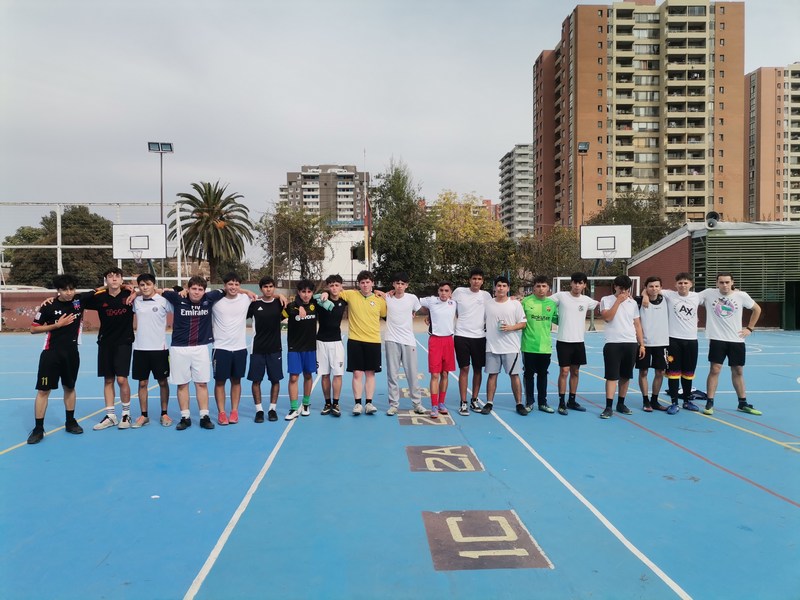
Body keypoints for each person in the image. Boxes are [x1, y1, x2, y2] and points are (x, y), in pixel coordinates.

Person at [26, 275, 86, 444]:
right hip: (51, 354)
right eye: (65, 289)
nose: (69, 292)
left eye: (72, 289)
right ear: (58, 290)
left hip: (72, 354)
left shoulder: (79, 301)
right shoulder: (48, 306)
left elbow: (105, 289)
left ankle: (70, 422)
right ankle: (38, 428)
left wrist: (127, 287)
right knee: (43, 391)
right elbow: (33, 329)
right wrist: (57, 326)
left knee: (69, 387)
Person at [162, 276, 225, 430]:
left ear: (204, 291)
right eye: (194, 289)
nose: (197, 292)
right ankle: (185, 417)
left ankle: (204, 416)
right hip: (179, 348)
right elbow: (157, 290)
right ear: (188, 289)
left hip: (200, 348)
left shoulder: (209, 298)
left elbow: (231, 289)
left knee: (201, 383)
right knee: (182, 384)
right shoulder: (177, 298)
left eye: (200, 289)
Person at [697, 272, 762, 415]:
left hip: (736, 340)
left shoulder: (741, 296)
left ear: (732, 282)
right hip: (717, 339)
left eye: (727, 282)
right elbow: (688, 299)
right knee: (715, 369)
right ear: (716, 283)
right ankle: (709, 402)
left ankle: (742, 403)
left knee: (738, 371)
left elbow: (757, 309)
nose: (724, 285)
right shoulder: (708, 293)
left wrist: (749, 328)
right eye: (721, 282)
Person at [83, 267, 135, 431]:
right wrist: (100, 288)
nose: (113, 279)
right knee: (108, 379)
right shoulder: (100, 297)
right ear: (106, 280)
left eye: (117, 276)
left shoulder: (129, 295)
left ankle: (126, 413)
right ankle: (111, 415)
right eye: (110, 277)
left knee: (121, 379)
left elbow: (150, 290)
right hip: (105, 342)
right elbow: (81, 299)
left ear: (121, 280)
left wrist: (133, 290)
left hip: (124, 342)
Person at [338, 271, 387, 416]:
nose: (365, 285)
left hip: (373, 341)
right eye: (362, 282)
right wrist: (325, 294)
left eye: (368, 282)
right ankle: (358, 403)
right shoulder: (351, 295)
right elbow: (334, 290)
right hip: (355, 340)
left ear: (373, 283)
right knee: (357, 373)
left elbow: (387, 316)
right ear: (358, 284)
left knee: (370, 374)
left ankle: (369, 403)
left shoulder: (380, 300)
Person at [550, 272, 599, 415]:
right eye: (575, 282)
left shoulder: (587, 300)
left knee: (575, 371)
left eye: (580, 283)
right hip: (564, 340)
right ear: (571, 283)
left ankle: (572, 400)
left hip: (579, 342)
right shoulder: (561, 296)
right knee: (564, 372)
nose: (577, 285)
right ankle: (561, 402)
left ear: (584, 285)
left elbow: (605, 303)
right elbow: (543, 301)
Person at [598, 275, 645, 419]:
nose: (623, 291)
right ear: (615, 286)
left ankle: (621, 403)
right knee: (612, 376)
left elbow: (637, 324)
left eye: (625, 288)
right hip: (613, 343)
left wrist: (641, 344)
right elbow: (607, 317)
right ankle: (608, 406)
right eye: (620, 288)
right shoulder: (606, 300)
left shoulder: (632, 303)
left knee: (625, 375)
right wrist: (618, 301)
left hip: (630, 343)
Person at [211, 272, 253, 425]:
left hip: (240, 348)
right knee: (220, 382)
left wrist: (280, 296)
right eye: (230, 284)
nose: (233, 287)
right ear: (225, 286)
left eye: (236, 284)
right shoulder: (216, 300)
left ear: (239, 286)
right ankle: (222, 413)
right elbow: (198, 292)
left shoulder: (246, 298)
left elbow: (267, 296)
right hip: (220, 348)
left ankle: (234, 411)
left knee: (236, 381)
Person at [481, 276, 527, 416]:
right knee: (492, 375)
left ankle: (519, 404)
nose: (501, 288)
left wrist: (511, 328)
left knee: (515, 375)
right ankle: (489, 403)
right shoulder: (487, 304)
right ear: (495, 287)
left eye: (504, 286)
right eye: (498, 285)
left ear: (508, 288)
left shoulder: (515, 304)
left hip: (511, 347)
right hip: (492, 347)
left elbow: (523, 323)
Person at [130, 273, 172, 427]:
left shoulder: (164, 301)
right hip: (140, 349)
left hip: (159, 350)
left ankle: (164, 413)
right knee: (142, 383)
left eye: (148, 284)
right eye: (142, 285)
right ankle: (144, 415)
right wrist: (135, 293)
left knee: (162, 382)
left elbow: (180, 299)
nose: (145, 287)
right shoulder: (136, 301)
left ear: (154, 285)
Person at [383, 272, 426, 416]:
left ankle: (417, 403)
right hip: (391, 340)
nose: (400, 286)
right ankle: (394, 404)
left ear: (406, 285)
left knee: (412, 374)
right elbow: (375, 293)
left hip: (408, 340)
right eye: (397, 283)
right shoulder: (387, 297)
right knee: (392, 374)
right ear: (393, 285)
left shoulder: (412, 298)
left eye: (403, 284)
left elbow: (421, 309)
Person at [660, 272, 702, 413]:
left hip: (691, 341)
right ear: (675, 284)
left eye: (685, 283)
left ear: (691, 284)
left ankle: (687, 400)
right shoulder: (669, 295)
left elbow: (718, 294)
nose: (683, 285)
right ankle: (674, 403)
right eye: (680, 283)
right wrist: (646, 297)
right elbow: (648, 289)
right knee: (673, 373)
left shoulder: (698, 296)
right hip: (673, 340)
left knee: (688, 373)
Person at [452, 269, 492, 416]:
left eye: (479, 279)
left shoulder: (486, 296)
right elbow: (449, 306)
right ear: (469, 280)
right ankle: (463, 402)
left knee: (477, 369)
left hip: (480, 337)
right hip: (461, 336)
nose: (476, 281)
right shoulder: (459, 292)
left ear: (482, 281)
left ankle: (474, 399)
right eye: (474, 278)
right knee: (464, 369)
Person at [247, 276, 285, 423]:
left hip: (275, 349)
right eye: (265, 287)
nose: (268, 289)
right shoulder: (254, 304)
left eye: (271, 286)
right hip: (257, 349)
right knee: (256, 380)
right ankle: (259, 411)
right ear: (261, 288)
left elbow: (296, 305)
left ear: (274, 287)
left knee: (275, 380)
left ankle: (272, 409)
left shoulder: (280, 303)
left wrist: (280, 296)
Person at [418, 281, 458, 418]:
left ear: (450, 293)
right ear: (438, 291)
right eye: (441, 290)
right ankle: (434, 405)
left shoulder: (454, 303)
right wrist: (427, 315)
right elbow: (416, 303)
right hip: (435, 340)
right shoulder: (431, 301)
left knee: (445, 374)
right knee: (435, 375)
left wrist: (514, 298)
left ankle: (442, 403)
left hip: (448, 341)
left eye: (446, 290)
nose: (443, 293)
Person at [520, 275, 558, 413]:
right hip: (529, 345)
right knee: (528, 375)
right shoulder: (525, 302)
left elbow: (559, 320)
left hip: (545, 347)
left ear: (548, 288)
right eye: (538, 286)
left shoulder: (552, 305)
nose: (541, 289)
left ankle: (543, 402)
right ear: (533, 288)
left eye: (544, 286)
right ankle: (529, 402)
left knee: (543, 375)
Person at [282, 279, 319, 420]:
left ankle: (306, 404)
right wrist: (296, 303)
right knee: (293, 377)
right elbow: (277, 317)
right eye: (303, 291)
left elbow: (328, 294)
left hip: (310, 347)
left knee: (308, 375)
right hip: (294, 348)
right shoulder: (291, 307)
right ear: (298, 292)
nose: (306, 295)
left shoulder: (315, 305)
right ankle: (293, 408)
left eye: (309, 292)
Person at [635, 276, 670, 413]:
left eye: (657, 286)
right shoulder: (638, 301)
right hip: (644, 343)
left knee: (660, 371)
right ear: (646, 287)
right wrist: (644, 296)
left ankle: (654, 400)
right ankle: (645, 400)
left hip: (662, 343)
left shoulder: (667, 299)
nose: (654, 289)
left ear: (661, 287)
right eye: (651, 286)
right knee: (643, 371)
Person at [315, 275, 347, 418]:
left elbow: (362, 293)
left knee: (338, 374)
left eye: (336, 285)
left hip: (336, 343)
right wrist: (323, 293)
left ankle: (336, 403)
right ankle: (327, 403)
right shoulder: (321, 300)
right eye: (331, 285)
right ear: (328, 287)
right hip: (321, 342)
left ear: (341, 286)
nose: (334, 288)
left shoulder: (344, 301)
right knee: (325, 374)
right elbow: (306, 297)